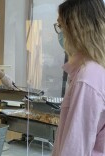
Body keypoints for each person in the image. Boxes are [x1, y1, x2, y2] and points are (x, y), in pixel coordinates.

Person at [52, 0, 105, 155]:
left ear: (76, 29)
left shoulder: (87, 79)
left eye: (60, 26)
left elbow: (75, 149)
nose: (60, 33)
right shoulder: (94, 71)